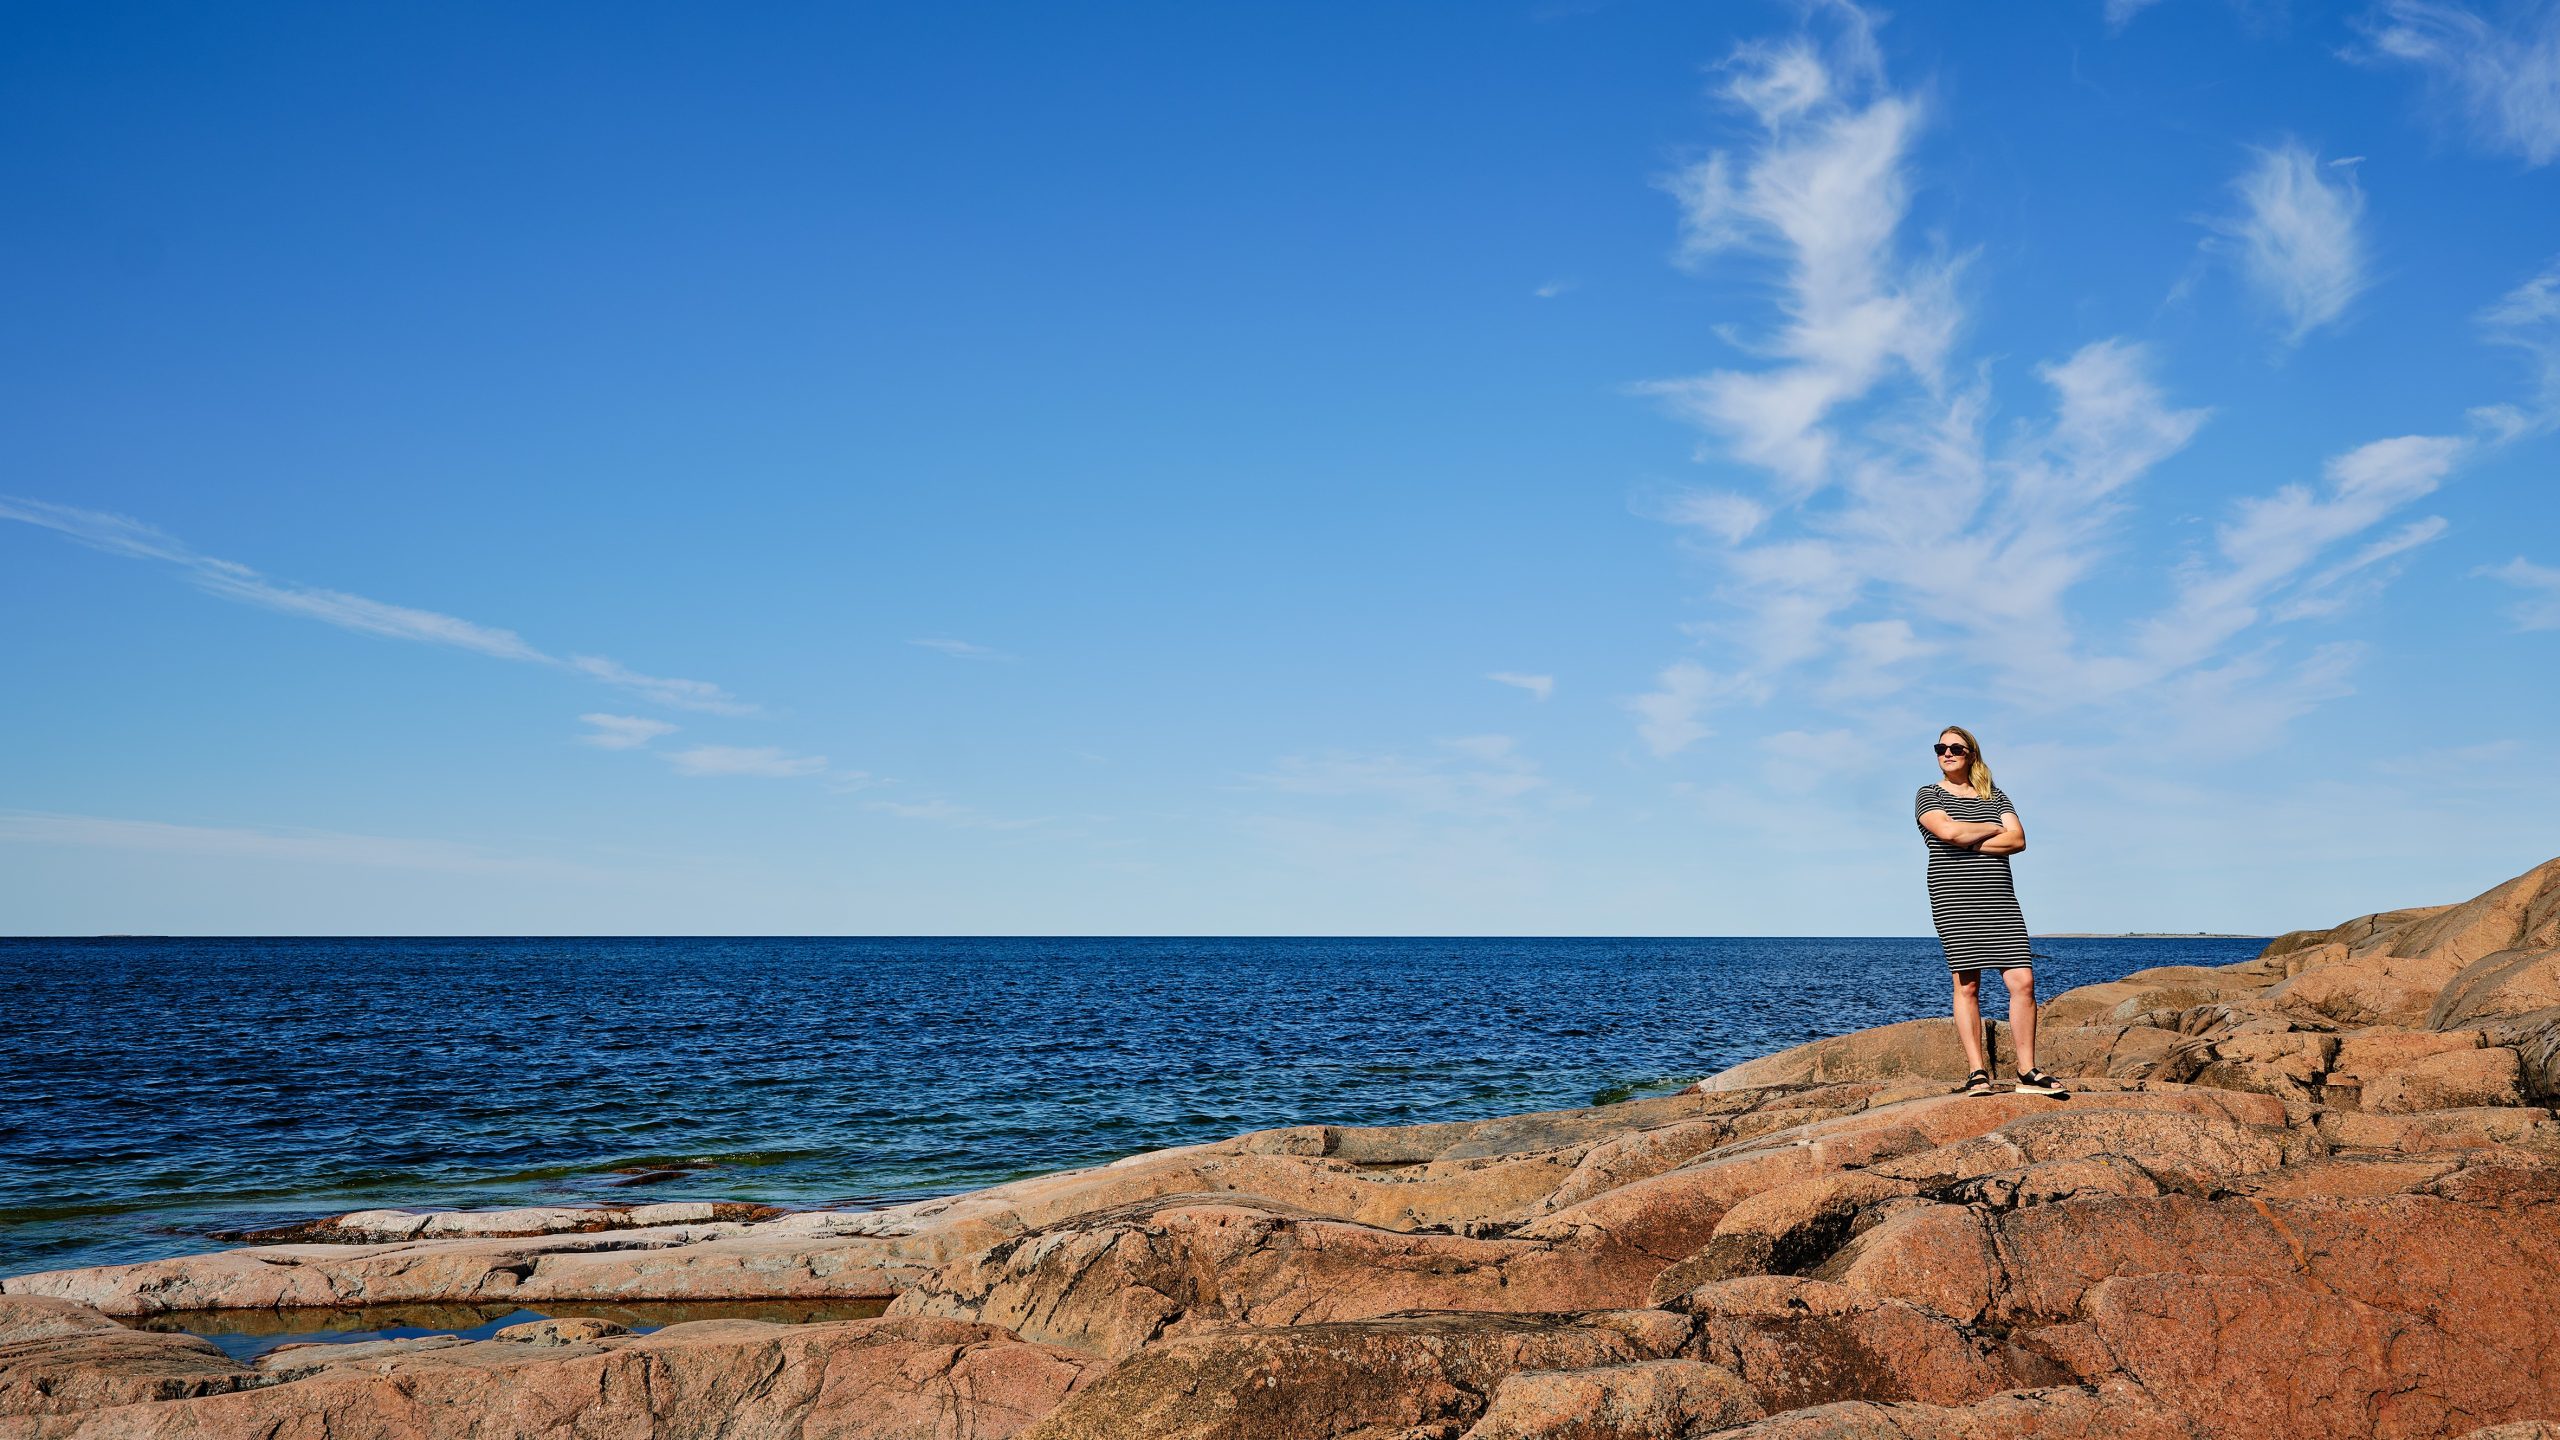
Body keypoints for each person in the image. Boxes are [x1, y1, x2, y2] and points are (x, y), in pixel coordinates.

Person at [1915, 726, 2064, 1098]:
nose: (1947, 753)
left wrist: (1969, 838)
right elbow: (1948, 833)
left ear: (1971, 754)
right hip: (1955, 898)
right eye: (1941, 748)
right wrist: (1989, 828)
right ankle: (1977, 1072)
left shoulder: (1995, 795)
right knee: (1967, 984)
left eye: (1956, 748)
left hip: (1999, 899)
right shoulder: (1928, 794)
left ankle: (2027, 1071)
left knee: (2023, 982)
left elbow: (2018, 839)